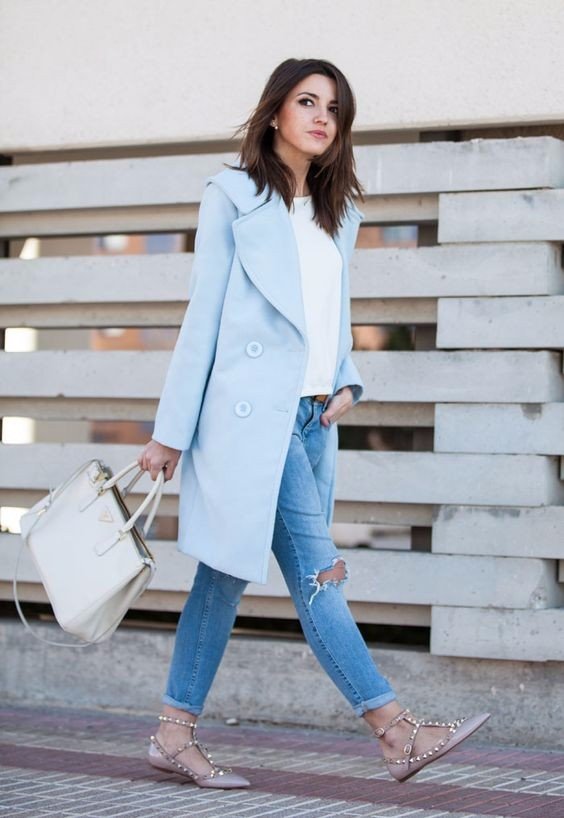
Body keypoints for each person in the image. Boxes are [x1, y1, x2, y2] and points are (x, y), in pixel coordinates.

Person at [137, 57, 490, 789]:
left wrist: (346, 376)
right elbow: (203, 316)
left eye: (333, 107)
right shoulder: (233, 197)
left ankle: (173, 734)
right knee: (318, 572)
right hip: (246, 420)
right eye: (307, 101)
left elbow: (331, 312)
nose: (322, 117)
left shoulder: (338, 211)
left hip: (309, 418)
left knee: (220, 579)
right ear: (275, 112)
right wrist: (171, 430)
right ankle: (395, 730)